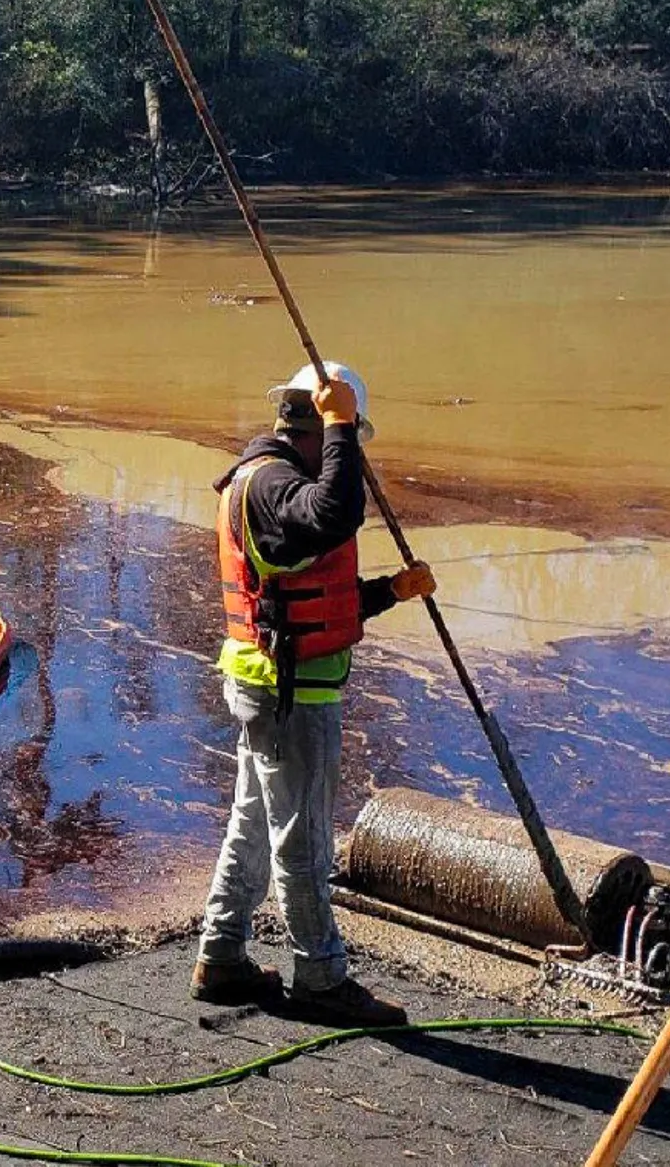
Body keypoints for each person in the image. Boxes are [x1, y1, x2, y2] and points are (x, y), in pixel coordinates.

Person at [190, 361, 437, 1027]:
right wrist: (342, 427)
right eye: (339, 440)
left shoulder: (268, 484)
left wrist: (391, 591)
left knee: (253, 822)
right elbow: (335, 514)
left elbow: (302, 590)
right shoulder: (274, 485)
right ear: (317, 427)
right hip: (290, 694)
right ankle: (320, 976)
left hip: (272, 684)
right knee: (302, 838)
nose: (347, 457)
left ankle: (222, 954)